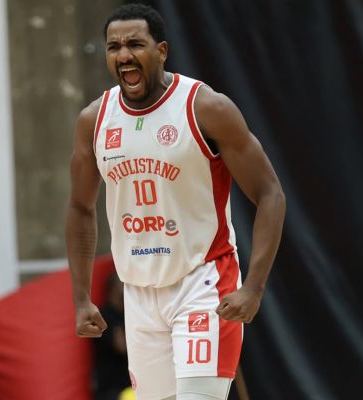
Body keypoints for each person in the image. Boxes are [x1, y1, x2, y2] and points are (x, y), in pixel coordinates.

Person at [66, 4, 286, 400]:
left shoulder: (205, 107)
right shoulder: (94, 120)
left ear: (162, 50)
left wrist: (253, 287)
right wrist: (82, 297)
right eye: (114, 47)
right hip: (138, 293)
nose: (124, 55)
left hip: (202, 281)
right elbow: (81, 209)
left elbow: (270, 193)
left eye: (135, 44)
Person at [93, 273, 130, 400]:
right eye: (124, 284)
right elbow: (122, 346)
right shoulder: (103, 316)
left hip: (130, 388)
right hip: (111, 391)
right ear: (115, 287)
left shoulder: (128, 314)